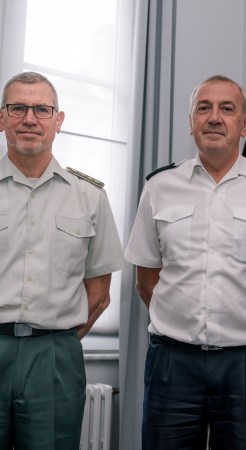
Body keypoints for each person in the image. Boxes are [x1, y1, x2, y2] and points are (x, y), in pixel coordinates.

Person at [125, 74, 246, 450]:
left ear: (244, 124)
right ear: (191, 122)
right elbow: (146, 280)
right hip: (173, 363)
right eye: (204, 108)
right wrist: (182, 323)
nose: (214, 117)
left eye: (226, 109)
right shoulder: (160, 186)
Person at [0, 72, 124, 450]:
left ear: (59, 120)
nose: (30, 119)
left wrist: (56, 339)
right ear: (1, 118)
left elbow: (99, 293)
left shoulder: (89, 196)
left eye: (42, 109)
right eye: (17, 108)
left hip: (55, 356)